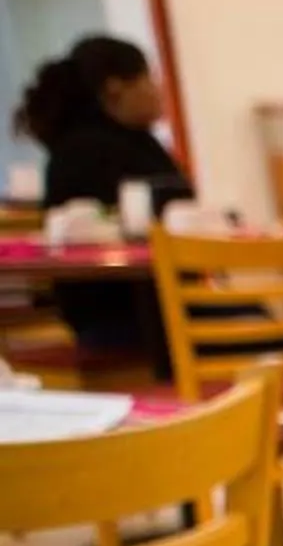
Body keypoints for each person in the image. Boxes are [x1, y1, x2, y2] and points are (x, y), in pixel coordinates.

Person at [12, 34, 190, 358]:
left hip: (147, 307)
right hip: (131, 315)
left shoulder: (126, 143)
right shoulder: (93, 152)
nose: (158, 88)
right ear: (115, 88)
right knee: (275, 339)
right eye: (148, 77)